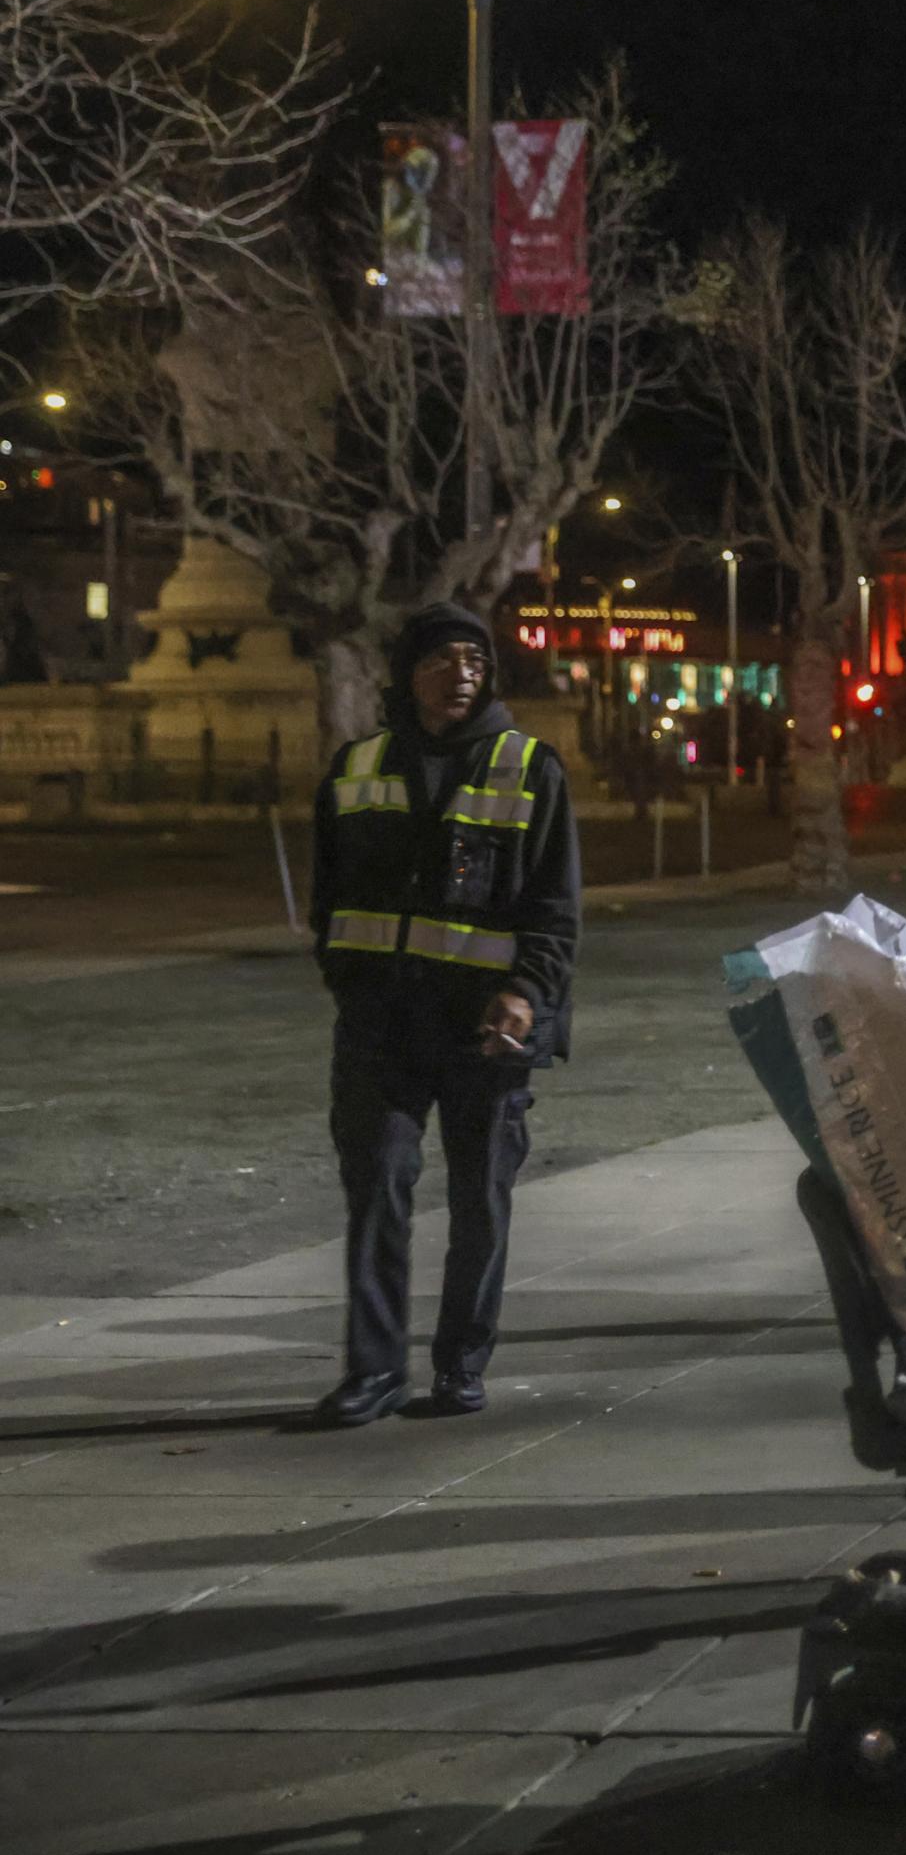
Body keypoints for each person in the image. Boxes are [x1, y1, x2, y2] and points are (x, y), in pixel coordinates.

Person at [308, 601, 581, 1426]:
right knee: (379, 1189)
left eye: (474, 658)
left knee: (478, 1199)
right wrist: (350, 982)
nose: (461, 672)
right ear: (409, 672)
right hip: (382, 1029)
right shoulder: (356, 768)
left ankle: (460, 1364)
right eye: (442, 658)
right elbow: (329, 901)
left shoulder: (528, 766)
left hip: (484, 1030)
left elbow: (555, 907)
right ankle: (374, 1370)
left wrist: (526, 994)